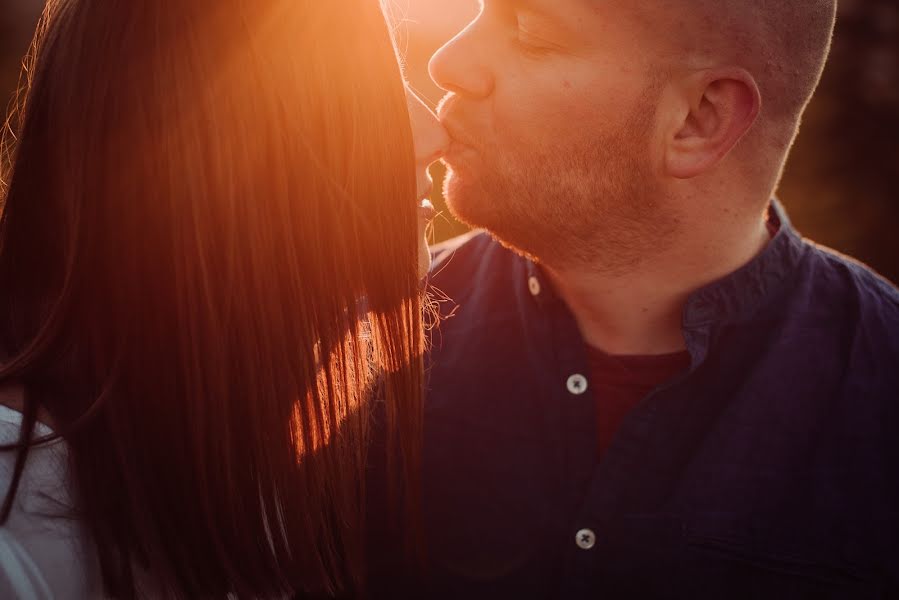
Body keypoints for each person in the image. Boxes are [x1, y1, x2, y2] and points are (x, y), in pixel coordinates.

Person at [412, 0, 899, 598]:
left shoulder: (883, 396)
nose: (447, 63)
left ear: (699, 118)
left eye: (531, 35)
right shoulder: (360, 345)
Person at [0, 0, 448, 598]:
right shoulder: (16, 548)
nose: (431, 133)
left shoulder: (242, 456)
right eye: (371, 94)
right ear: (230, 158)